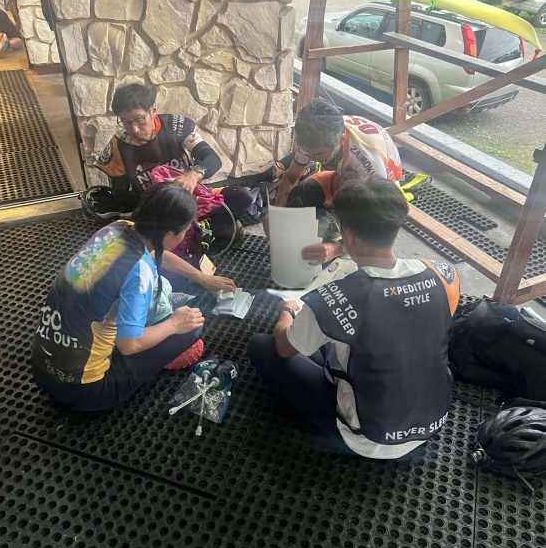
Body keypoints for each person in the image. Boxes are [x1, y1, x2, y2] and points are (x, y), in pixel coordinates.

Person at [248, 177, 460, 459]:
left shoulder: (335, 296)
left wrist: (286, 311)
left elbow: (284, 349)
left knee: (262, 345)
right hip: (430, 423)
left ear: (347, 235)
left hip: (366, 439)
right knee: (341, 341)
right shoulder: (443, 274)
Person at [32, 183, 210, 412]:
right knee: (190, 328)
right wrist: (175, 324)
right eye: (185, 229)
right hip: (87, 390)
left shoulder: (115, 229)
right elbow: (129, 345)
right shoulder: (140, 271)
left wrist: (202, 278)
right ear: (168, 234)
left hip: (42, 369)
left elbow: (155, 254)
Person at [95, 83, 253, 242]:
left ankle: (203, 232)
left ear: (153, 111)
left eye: (140, 120)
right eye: (126, 122)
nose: (134, 130)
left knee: (241, 196)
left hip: (190, 198)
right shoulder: (120, 143)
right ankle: (196, 235)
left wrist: (194, 175)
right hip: (156, 211)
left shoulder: (177, 127)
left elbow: (212, 159)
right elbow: (120, 192)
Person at [272, 98, 403, 266]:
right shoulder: (314, 137)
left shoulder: (365, 157)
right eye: (308, 152)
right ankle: (336, 227)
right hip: (342, 173)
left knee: (364, 241)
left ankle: (341, 237)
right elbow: (291, 178)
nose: (313, 158)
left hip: (382, 191)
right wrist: (276, 217)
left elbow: (381, 216)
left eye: (319, 154)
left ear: (341, 140)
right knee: (300, 196)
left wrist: (338, 248)